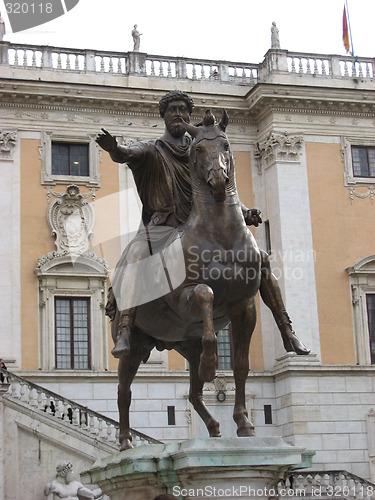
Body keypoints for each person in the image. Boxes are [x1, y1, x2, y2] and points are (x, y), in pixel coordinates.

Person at [96, 90, 309, 358]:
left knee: (261, 259)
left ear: (189, 115)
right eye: (172, 109)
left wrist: (245, 212)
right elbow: (127, 154)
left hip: (203, 227)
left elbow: (222, 191)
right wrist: (115, 149)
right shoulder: (153, 149)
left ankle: (287, 329)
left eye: (182, 109)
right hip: (164, 227)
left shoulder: (204, 147)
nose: (178, 114)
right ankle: (126, 327)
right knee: (136, 254)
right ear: (163, 116)